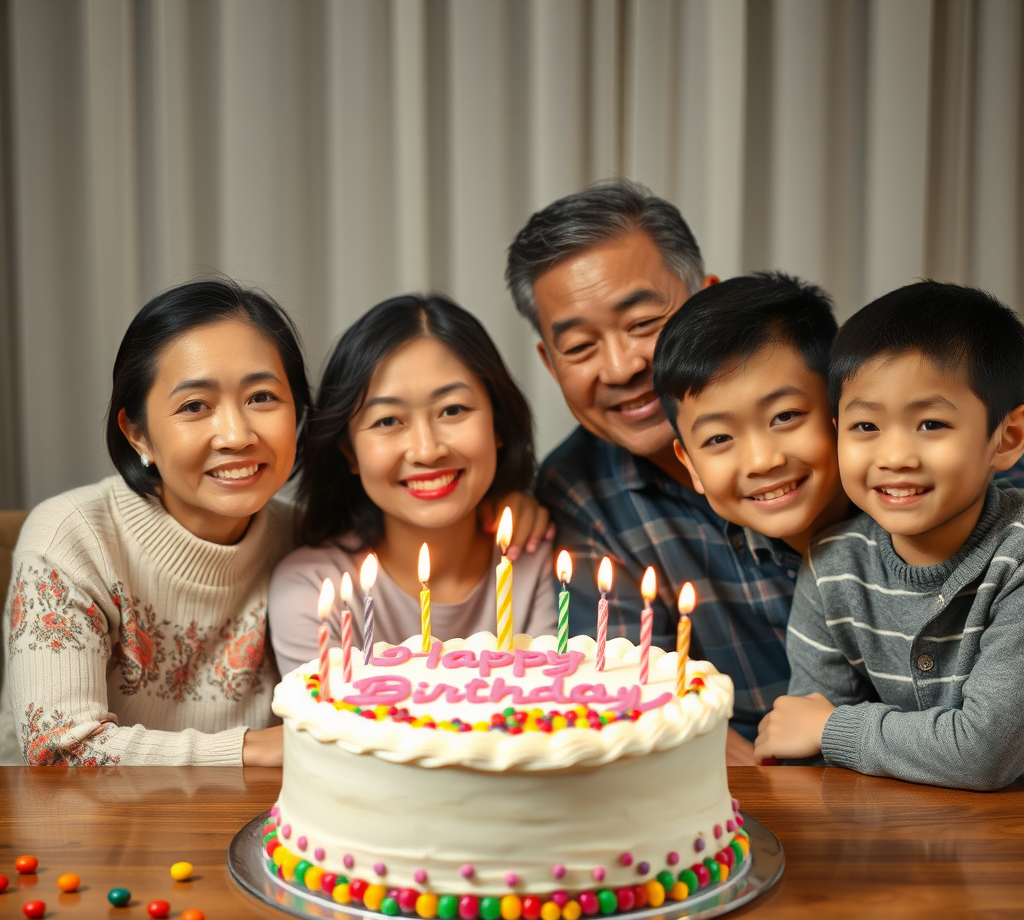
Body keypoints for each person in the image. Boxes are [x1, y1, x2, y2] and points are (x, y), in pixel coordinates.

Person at [508, 180, 790, 760]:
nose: (621, 366)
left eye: (642, 324)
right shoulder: (579, 490)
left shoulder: (836, 406)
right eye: (581, 346)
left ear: (707, 299)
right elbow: (649, 704)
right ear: (549, 361)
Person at [1, 279, 311, 766]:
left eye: (262, 397)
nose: (236, 434)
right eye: (195, 406)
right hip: (78, 834)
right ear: (138, 434)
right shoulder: (73, 537)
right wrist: (250, 750)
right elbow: (59, 749)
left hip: (251, 830)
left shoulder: (308, 540)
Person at [754, 282, 1024, 790]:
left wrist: (832, 729)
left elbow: (983, 753)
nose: (895, 456)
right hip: (882, 839)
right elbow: (801, 747)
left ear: (1006, 438)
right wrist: (818, 735)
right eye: (865, 427)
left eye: (930, 423)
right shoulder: (833, 564)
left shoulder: (1017, 559)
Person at [268, 294, 557, 675]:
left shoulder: (541, 557)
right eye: (388, 421)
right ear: (349, 451)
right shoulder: (313, 589)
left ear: (498, 426)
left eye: (453, 410)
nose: (427, 450)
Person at [652, 272, 851, 557]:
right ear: (691, 466)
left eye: (785, 416)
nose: (761, 462)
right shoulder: (702, 565)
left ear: (842, 407)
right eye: (719, 438)